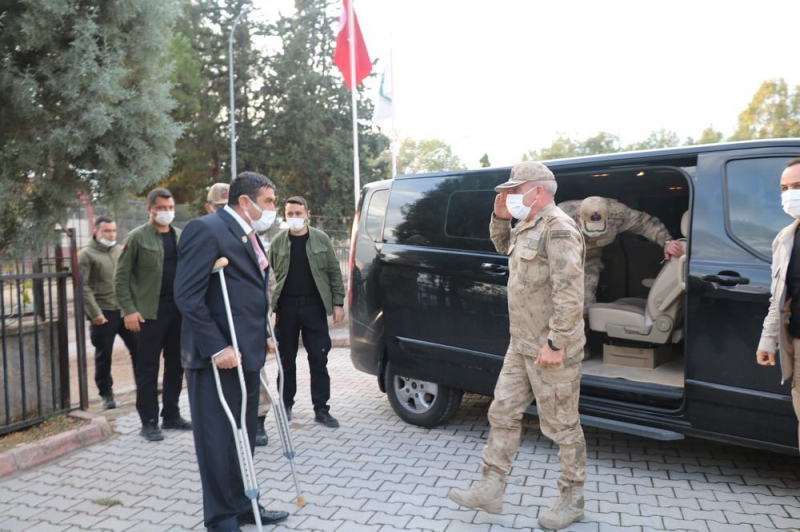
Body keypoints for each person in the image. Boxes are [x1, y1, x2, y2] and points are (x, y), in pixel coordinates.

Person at [447, 161, 587, 530]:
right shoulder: (529, 224)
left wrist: (556, 343)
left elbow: (570, 293)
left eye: (513, 190)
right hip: (521, 344)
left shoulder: (558, 228)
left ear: (536, 191)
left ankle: (572, 499)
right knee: (502, 411)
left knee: (562, 426)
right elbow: (502, 245)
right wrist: (498, 216)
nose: (508, 196)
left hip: (550, 347)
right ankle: (490, 487)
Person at [175, 172, 289, 532]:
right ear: (245, 201)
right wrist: (216, 347)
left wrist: (262, 334)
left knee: (241, 434)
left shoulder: (248, 233)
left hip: (247, 354)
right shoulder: (205, 229)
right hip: (217, 359)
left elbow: (249, 289)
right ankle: (220, 517)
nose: (272, 208)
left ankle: (244, 505)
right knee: (216, 440)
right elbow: (187, 296)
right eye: (269, 201)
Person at [115, 188, 191, 442]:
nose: (167, 213)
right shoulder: (136, 238)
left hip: (178, 312)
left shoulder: (180, 236)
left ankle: (171, 414)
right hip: (148, 313)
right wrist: (129, 310)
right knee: (147, 368)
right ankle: (148, 421)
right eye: (161, 208)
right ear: (150, 209)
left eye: (170, 208)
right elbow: (121, 277)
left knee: (175, 365)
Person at [267, 196, 345, 429]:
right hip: (286, 309)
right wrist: (269, 308)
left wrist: (338, 303)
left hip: (314, 308)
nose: (294, 218)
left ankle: (321, 409)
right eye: (290, 214)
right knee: (286, 361)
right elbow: (269, 278)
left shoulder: (321, 239)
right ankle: (285, 405)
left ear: (307, 215)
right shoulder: (278, 242)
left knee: (319, 359)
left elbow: (333, 272)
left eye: (298, 214)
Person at [206, 180, 272, 447]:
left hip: (250, 325)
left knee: (256, 378)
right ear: (210, 207)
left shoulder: (251, 235)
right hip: (221, 329)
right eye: (220, 206)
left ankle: (257, 421)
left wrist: (266, 328)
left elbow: (265, 280)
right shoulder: (206, 233)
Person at [558, 196, 684, 310]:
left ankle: (581, 333)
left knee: (584, 304)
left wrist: (666, 241)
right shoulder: (559, 215)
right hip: (559, 260)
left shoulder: (618, 214)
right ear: (579, 216)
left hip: (589, 260)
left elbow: (645, 223)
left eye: (599, 226)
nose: (595, 231)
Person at [757, 157, 800, 452]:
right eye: (784, 187)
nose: (790, 194)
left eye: (797, 186)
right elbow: (779, 297)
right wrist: (767, 340)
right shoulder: (785, 239)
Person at [78, 215, 138, 410]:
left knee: (140, 350)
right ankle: (107, 394)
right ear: (96, 231)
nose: (111, 234)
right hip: (103, 313)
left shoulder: (119, 251)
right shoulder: (85, 255)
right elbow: (83, 287)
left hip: (124, 311)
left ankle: (145, 387)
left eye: (113, 230)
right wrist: (95, 313)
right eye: (106, 231)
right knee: (104, 355)